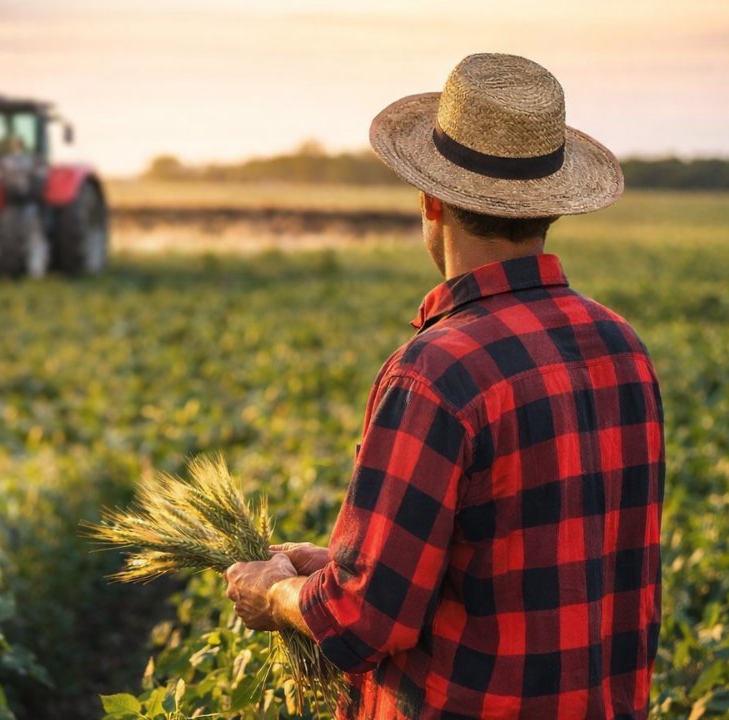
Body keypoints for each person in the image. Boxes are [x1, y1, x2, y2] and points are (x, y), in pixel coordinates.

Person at [224, 53, 663, 719]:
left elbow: (366, 619)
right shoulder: (622, 347)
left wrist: (277, 594)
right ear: (549, 208)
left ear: (432, 202)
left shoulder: (437, 371)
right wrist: (333, 563)